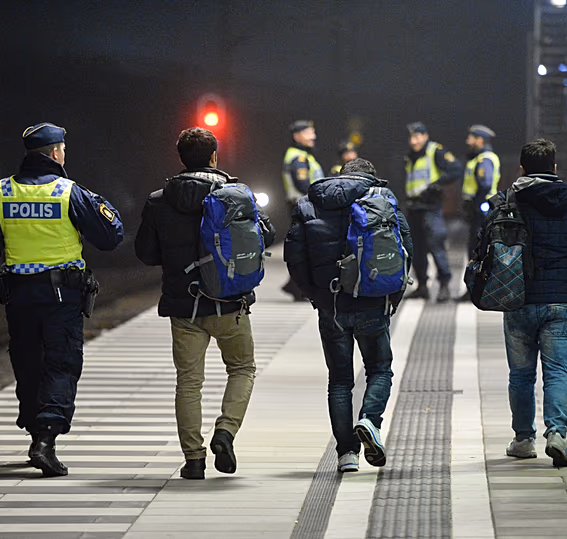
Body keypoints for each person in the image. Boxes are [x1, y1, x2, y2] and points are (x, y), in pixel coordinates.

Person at [0, 122, 124, 477]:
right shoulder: (69, 193)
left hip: (19, 297)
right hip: (62, 296)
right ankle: (45, 440)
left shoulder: (2, 193)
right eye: (63, 149)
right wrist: (102, 204)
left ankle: (35, 430)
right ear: (55, 153)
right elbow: (111, 237)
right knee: (61, 363)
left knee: (27, 362)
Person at [136, 127, 276, 480]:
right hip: (230, 303)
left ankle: (194, 460)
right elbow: (268, 235)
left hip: (185, 307)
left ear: (181, 158)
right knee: (242, 369)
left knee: (189, 382)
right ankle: (225, 432)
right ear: (215, 157)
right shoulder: (235, 194)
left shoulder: (158, 200)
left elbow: (145, 253)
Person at [285, 158, 413, 473]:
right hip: (373, 302)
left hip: (331, 306)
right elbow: (404, 250)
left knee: (340, 380)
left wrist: (314, 295)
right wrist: (393, 296)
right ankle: (370, 420)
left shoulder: (310, 202)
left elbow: (294, 255)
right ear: (369, 176)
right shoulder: (384, 199)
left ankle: (347, 455)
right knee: (380, 370)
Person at [499, 138, 567, 467]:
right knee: (557, 371)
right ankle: (557, 433)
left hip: (518, 297)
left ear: (522, 168)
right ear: (555, 168)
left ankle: (523, 439)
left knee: (521, 374)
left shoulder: (509, 200)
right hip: (560, 298)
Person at [403, 122, 462, 302]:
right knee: (416, 249)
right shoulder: (410, 156)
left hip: (430, 207)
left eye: (417, 137)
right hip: (414, 207)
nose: (413, 141)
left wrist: (438, 184)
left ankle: (444, 286)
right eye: (411, 137)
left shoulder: (435, 151)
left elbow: (456, 169)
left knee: (436, 245)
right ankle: (422, 286)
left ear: (425, 136)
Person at [458, 125, 501, 302]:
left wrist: (476, 204)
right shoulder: (478, 158)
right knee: (477, 250)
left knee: (478, 251)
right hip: (479, 211)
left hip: (482, 212)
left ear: (480, 140)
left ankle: (477, 290)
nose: (468, 141)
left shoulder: (485, 159)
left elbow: (485, 184)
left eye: (472, 138)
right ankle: (475, 289)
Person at [282, 120, 323, 300]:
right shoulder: (298, 157)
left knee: (303, 248)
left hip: (302, 206)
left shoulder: (302, 155)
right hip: (303, 205)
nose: (313, 136)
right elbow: (303, 184)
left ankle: (295, 285)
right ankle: (298, 287)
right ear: (297, 136)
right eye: (308, 132)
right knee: (306, 248)